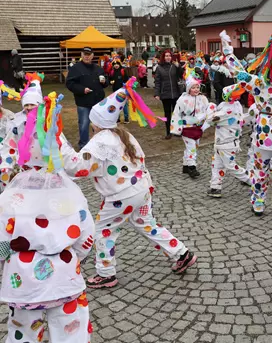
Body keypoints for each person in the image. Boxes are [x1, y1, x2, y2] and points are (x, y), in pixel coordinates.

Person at [60, 78, 197, 289]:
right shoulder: (124, 134)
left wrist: (58, 140)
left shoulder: (100, 141)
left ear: (96, 122)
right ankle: (181, 252)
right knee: (146, 223)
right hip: (141, 189)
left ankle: (106, 273)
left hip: (121, 195)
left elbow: (76, 167)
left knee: (103, 230)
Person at [0, 92, 95, 343]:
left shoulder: (9, 197)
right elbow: (86, 236)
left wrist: (7, 263)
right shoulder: (70, 193)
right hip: (64, 277)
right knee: (70, 330)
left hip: (21, 280)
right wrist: (69, 255)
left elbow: (1, 243)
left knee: (23, 333)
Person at [220, 31, 272, 230]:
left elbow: (238, 72)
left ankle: (258, 202)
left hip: (264, 136)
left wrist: (228, 51)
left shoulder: (259, 83)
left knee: (260, 171)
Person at [0, 73, 45, 189]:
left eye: (32, 104)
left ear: (39, 105)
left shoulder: (48, 122)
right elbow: (10, 146)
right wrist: (6, 166)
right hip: (25, 173)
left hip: (46, 172)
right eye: (26, 104)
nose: (29, 107)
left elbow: (60, 146)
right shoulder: (17, 123)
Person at [205, 84, 251, 198]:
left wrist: (210, 106)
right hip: (221, 142)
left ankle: (252, 180)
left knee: (231, 166)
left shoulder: (228, 109)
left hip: (227, 143)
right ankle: (215, 187)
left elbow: (210, 119)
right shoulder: (234, 105)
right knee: (217, 165)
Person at [171, 72, 216, 179]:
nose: (196, 89)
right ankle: (192, 167)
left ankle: (186, 165)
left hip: (198, 128)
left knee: (193, 146)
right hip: (187, 128)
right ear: (188, 89)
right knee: (191, 147)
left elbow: (207, 110)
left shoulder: (203, 99)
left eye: (197, 87)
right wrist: (176, 129)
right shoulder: (182, 100)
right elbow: (177, 114)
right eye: (193, 87)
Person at [66, 46, 109, 150]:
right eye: (85, 54)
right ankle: (84, 145)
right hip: (83, 102)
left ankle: (98, 144)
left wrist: (104, 82)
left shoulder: (98, 68)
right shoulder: (75, 68)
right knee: (84, 124)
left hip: (98, 102)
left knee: (98, 124)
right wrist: (82, 89)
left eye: (88, 54)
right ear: (81, 55)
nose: (86, 56)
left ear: (92, 56)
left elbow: (106, 82)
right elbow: (69, 83)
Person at [154, 50, 183, 139]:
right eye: (166, 56)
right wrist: (157, 93)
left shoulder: (174, 66)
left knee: (176, 113)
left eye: (169, 56)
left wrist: (179, 67)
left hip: (175, 93)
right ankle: (168, 132)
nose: (168, 57)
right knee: (167, 114)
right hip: (165, 94)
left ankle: (176, 131)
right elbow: (157, 82)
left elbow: (181, 75)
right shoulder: (159, 68)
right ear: (163, 57)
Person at [110, 58, 130, 124]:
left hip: (123, 90)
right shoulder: (112, 72)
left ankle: (126, 118)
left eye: (117, 64)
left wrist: (124, 85)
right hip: (115, 91)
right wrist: (111, 82)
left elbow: (127, 79)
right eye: (114, 64)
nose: (116, 65)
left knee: (124, 105)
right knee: (116, 105)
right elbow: (110, 79)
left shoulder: (123, 71)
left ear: (119, 64)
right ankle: (117, 119)